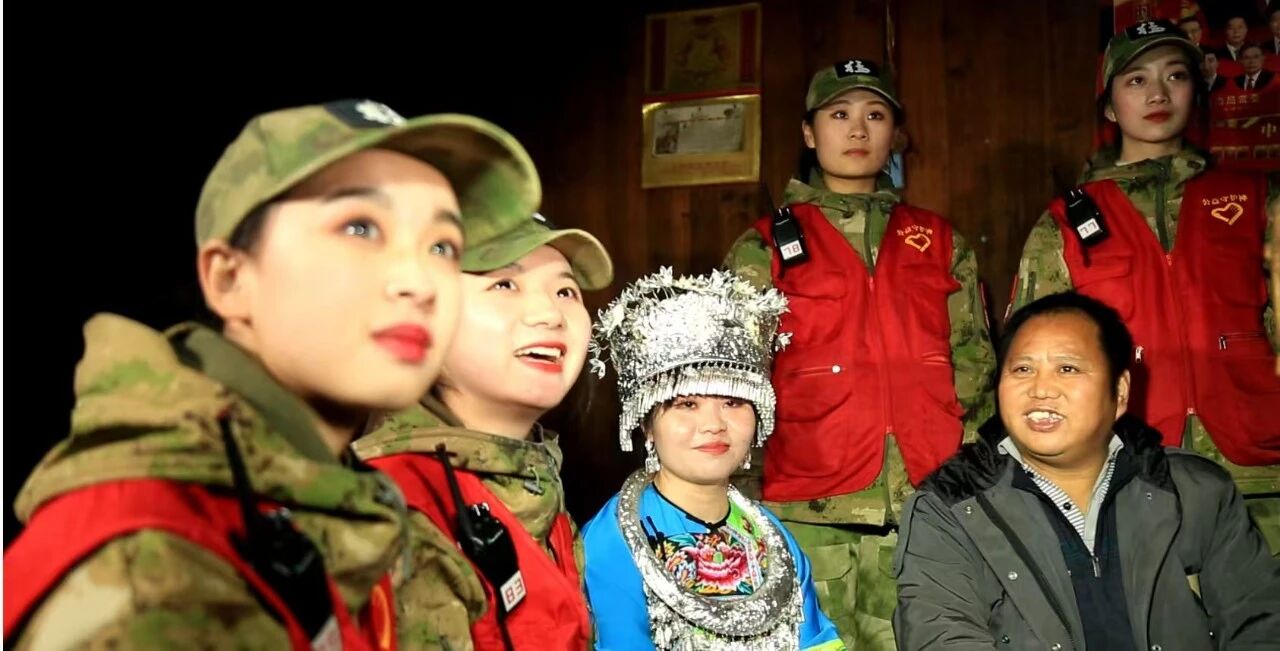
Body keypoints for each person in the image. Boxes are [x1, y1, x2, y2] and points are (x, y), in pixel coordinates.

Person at [3, 99, 539, 649]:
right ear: (229, 279)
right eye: (359, 227)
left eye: (442, 246)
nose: (420, 281)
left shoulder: (320, 495)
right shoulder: (156, 582)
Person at [722, 57, 995, 648]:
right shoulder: (765, 246)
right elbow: (736, 378)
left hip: (930, 500)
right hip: (810, 509)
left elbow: (975, 361)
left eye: (875, 115)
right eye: (838, 114)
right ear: (808, 133)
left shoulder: (939, 240)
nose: (857, 129)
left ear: (895, 134)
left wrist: (962, 467)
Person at [1012, 19, 1280, 555]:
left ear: (1195, 92)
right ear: (1110, 107)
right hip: (1129, 474)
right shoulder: (1065, 222)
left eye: (1175, 76)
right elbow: (1039, 362)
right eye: (1136, 80)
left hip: (1257, 470)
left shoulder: (1257, 200)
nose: (1158, 93)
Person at [894, 291, 1280, 650]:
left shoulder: (1195, 491)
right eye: (1022, 368)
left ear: (1120, 392)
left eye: (1067, 368)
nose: (1041, 389)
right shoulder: (951, 507)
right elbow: (942, 636)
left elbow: (1259, 623)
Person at [353, 207, 613, 650]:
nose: (550, 314)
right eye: (504, 284)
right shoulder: (399, 511)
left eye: (566, 290)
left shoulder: (535, 478)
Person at [581, 268, 844, 650]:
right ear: (647, 424)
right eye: (687, 404)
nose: (714, 425)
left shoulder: (774, 538)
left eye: (733, 402)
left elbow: (818, 642)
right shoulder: (612, 541)